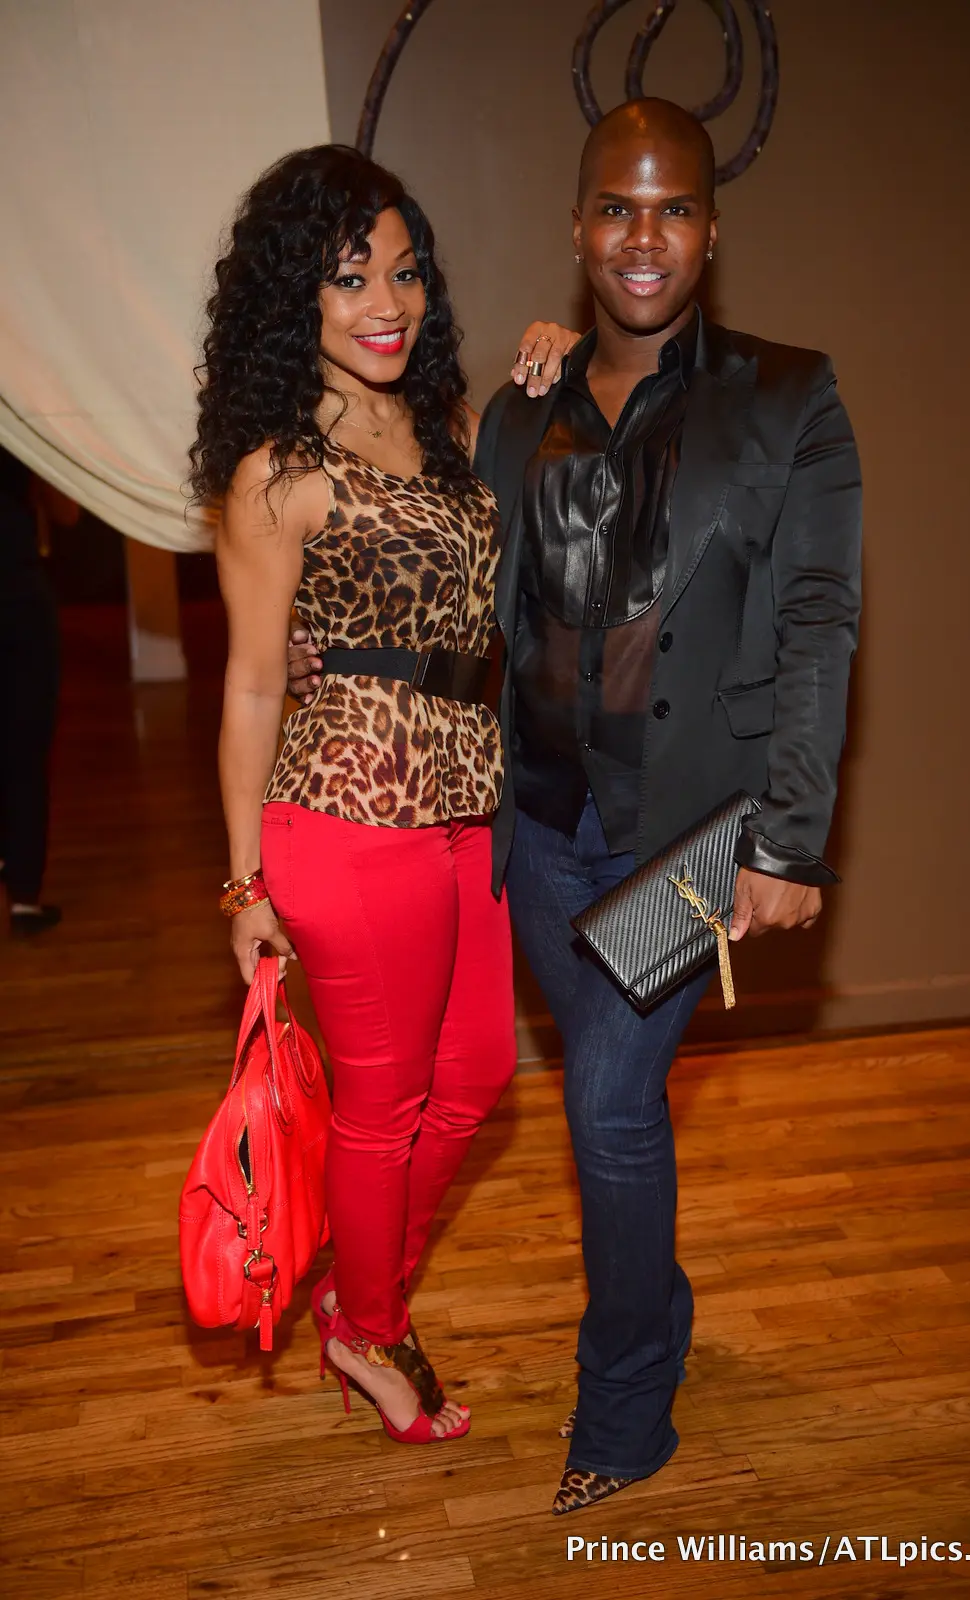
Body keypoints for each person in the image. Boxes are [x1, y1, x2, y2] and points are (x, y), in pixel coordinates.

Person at [290, 98, 861, 1512]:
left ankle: (625, 1408)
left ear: (711, 230)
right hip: (538, 830)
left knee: (607, 1105)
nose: (642, 236)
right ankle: (657, 1306)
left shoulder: (792, 397)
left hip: (694, 837)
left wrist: (792, 840)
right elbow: (452, 578)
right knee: (616, 1111)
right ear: (578, 228)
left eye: (672, 208)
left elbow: (818, 621)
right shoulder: (520, 413)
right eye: (617, 208)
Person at [192, 145, 576, 1444]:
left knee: (476, 1074)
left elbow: (551, 488)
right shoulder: (276, 472)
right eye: (351, 276)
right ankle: (372, 1325)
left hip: (469, 801)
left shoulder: (449, 427)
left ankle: (362, 1300)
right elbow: (253, 685)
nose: (387, 302)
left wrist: (551, 362)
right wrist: (244, 886)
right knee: (385, 1106)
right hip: (346, 816)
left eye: (405, 272)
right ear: (294, 293)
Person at [0, 448, 64, 937]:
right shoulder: (23, 421)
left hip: (20, 594)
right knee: (26, 744)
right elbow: (66, 510)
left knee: (25, 743)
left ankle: (22, 886)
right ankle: (24, 894)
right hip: (18, 593)